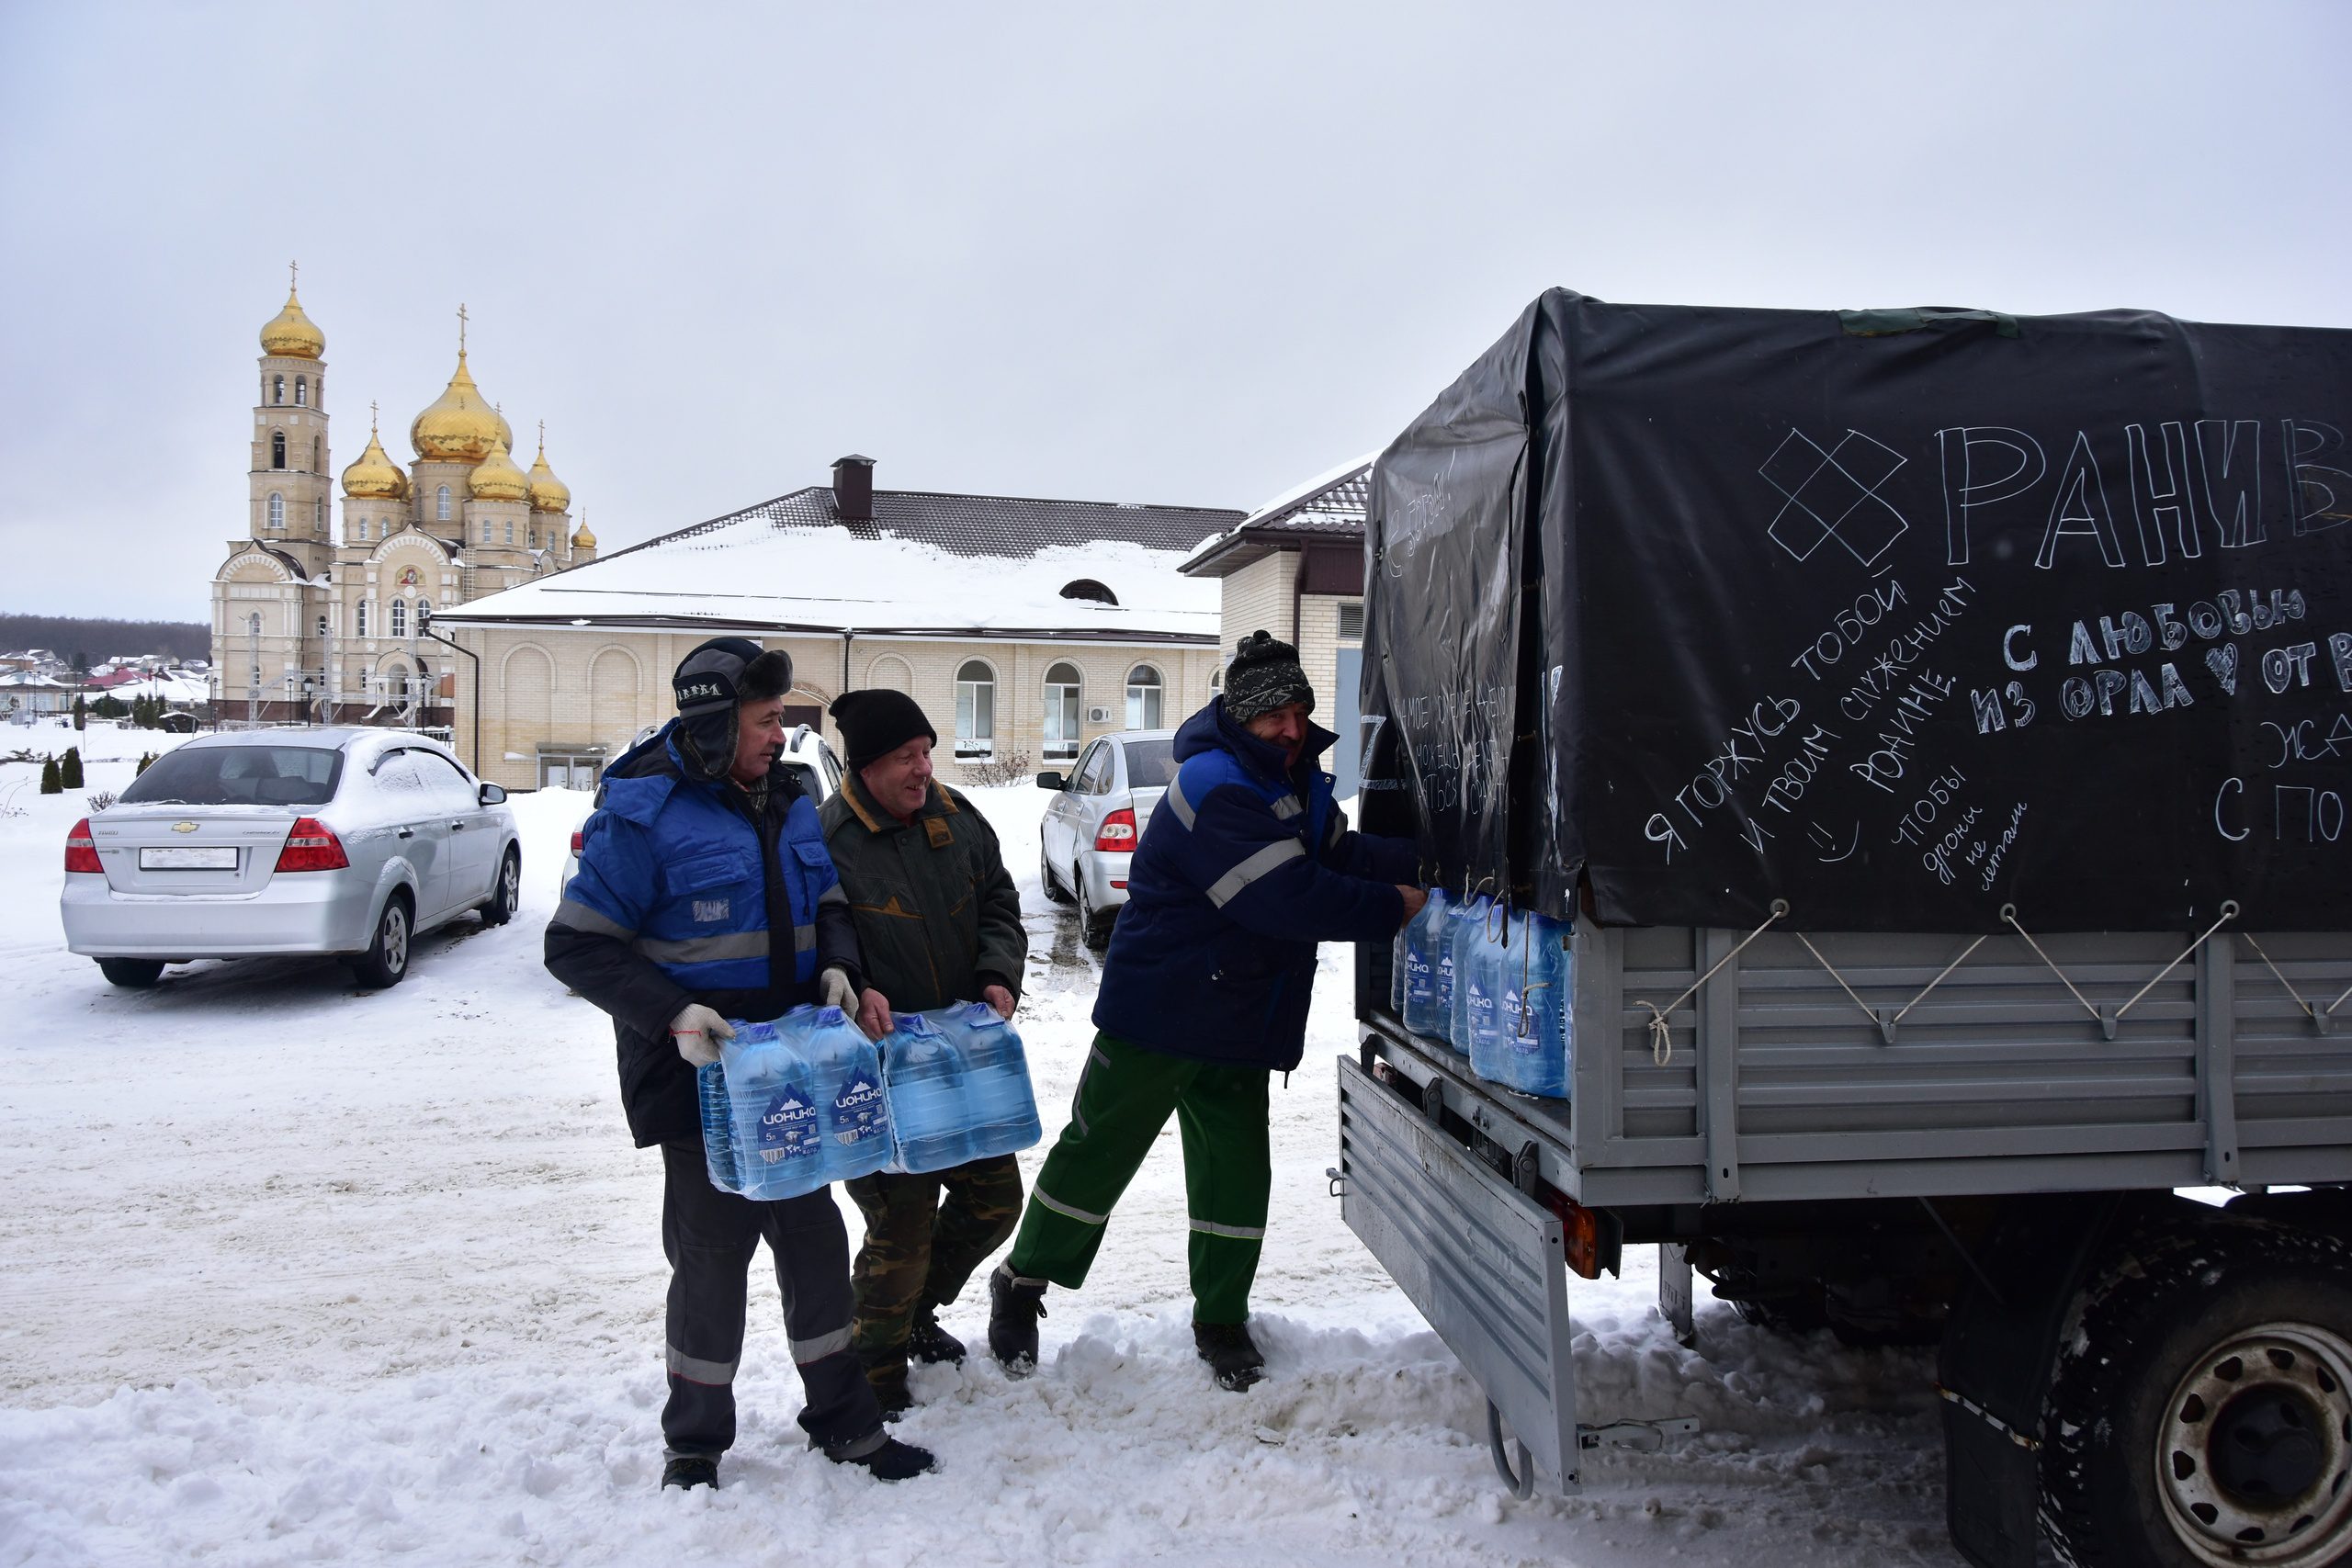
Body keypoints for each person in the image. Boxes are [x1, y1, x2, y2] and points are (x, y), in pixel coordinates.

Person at [545, 637, 935, 1489]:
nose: (780, 734)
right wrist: (671, 1012)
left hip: (791, 1074)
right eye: (765, 720)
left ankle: (846, 1424)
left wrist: (840, 966)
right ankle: (694, 1444)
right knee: (712, 1259)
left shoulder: (793, 798)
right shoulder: (643, 815)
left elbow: (828, 900)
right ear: (719, 726)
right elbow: (575, 947)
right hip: (699, 1082)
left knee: (815, 1247)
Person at [988, 631, 1425, 1391]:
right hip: (1160, 1009)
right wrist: (1398, 905)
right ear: (1239, 715)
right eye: (1273, 716)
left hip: (1238, 1015)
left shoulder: (1290, 777)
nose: (1290, 727)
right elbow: (1286, 897)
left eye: (1298, 710)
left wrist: (1426, 863)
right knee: (1098, 1155)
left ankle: (1221, 1315)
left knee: (1235, 1172)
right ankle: (1022, 1281)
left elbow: (1334, 855)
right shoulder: (1218, 785)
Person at [820, 688, 1028, 1416]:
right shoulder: (829, 840)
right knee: (900, 1224)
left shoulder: (954, 817)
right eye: (906, 757)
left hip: (962, 1063)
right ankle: (871, 1367)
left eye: (926, 752)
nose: (923, 768)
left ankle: (911, 1312)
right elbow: (823, 947)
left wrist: (998, 974)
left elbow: (1000, 901)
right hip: (876, 1074)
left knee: (996, 1200)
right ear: (869, 765)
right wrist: (858, 992)